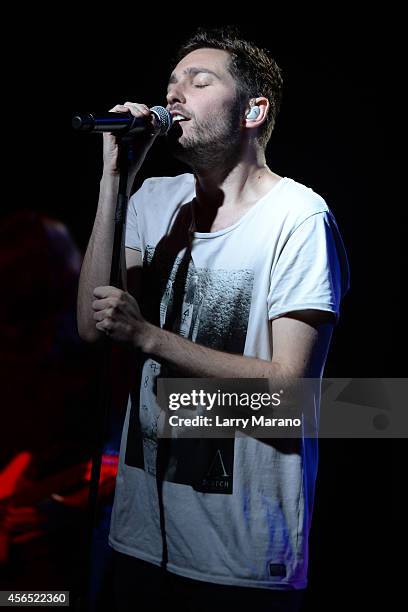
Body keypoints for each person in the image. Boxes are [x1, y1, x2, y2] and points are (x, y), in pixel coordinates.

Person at [77, 27, 350, 612]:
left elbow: (291, 391)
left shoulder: (298, 218)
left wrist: (149, 337)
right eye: (170, 84)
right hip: (139, 537)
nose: (174, 96)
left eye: (199, 82)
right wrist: (114, 180)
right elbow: (91, 325)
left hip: (240, 559)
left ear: (253, 109)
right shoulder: (153, 198)